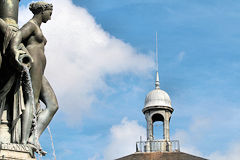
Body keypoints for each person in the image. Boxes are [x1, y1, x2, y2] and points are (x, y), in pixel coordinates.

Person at [11, 2, 59, 148]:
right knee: (32, 100)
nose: (50, 18)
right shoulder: (31, 25)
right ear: (42, 11)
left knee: (53, 105)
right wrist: (15, 50)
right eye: (49, 13)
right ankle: (24, 142)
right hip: (33, 64)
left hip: (40, 69)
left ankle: (33, 138)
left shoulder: (37, 28)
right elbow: (17, 35)